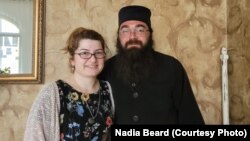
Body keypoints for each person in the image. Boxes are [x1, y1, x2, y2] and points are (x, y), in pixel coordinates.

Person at [99, 5, 204, 124]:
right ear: (118, 36)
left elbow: (190, 117)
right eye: (125, 30)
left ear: (150, 34)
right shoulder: (106, 69)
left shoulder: (172, 67)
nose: (132, 36)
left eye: (140, 30)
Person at [23, 27, 114, 141]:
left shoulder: (107, 89)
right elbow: (34, 137)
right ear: (72, 60)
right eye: (84, 53)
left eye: (98, 53)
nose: (93, 59)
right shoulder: (52, 93)